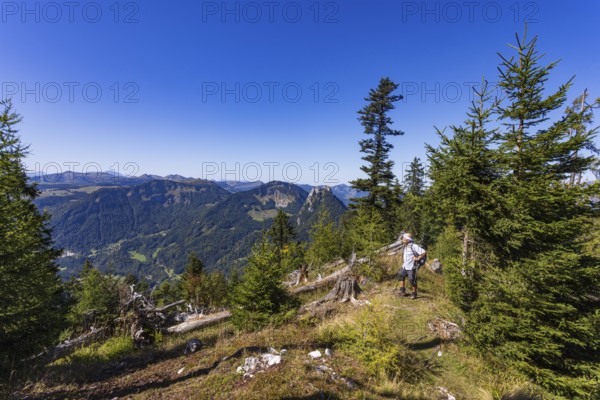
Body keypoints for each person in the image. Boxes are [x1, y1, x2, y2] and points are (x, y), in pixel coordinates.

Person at [397, 232, 426, 299]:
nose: (403, 239)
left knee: (412, 280)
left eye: (404, 238)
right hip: (405, 265)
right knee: (401, 275)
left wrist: (418, 258)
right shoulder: (405, 245)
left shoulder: (414, 246)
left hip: (411, 266)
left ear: (408, 239)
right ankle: (402, 291)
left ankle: (414, 294)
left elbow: (424, 252)